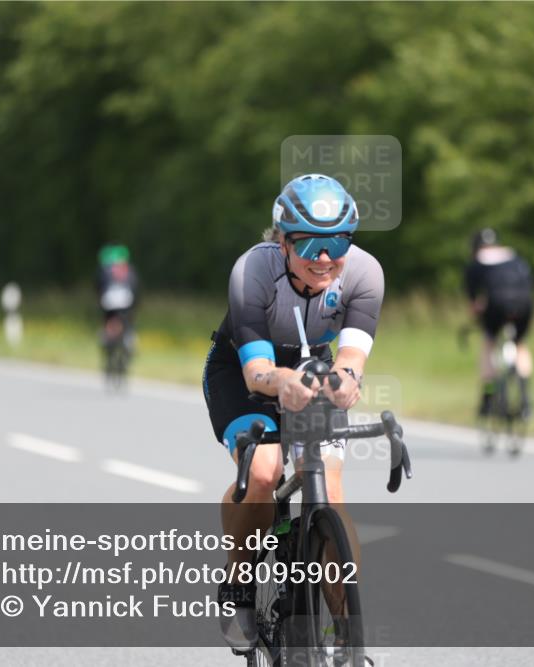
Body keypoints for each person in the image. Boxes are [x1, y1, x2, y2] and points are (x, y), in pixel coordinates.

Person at [202, 174, 384, 651]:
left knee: (331, 487)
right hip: (246, 368)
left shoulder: (365, 274)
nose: (326, 258)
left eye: (339, 241)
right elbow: (257, 372)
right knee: (264, 471)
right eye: (311, 244)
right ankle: (239, 583)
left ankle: (347, 636)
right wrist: (283, 383)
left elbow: (351, 360)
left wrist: (345, 384)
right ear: (284, 241)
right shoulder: (252, 272)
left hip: (311, 365)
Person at [464, 228, 534, 419]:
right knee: (520, 345)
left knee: (488, 344)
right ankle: (526, 400)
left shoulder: (477, 263)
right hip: (525, 304)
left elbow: (474, 303)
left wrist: (478, 314)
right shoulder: (515, 257)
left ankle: (487, 397)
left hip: (496, 304)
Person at [95, 243, 139, 352]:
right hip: (127, 302)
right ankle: (129, 338)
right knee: (128, 319)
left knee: (108, 318)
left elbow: (98, 287)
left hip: (108, 302)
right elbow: (136, 288)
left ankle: (106, 337)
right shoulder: (129, 270)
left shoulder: (105, 270)